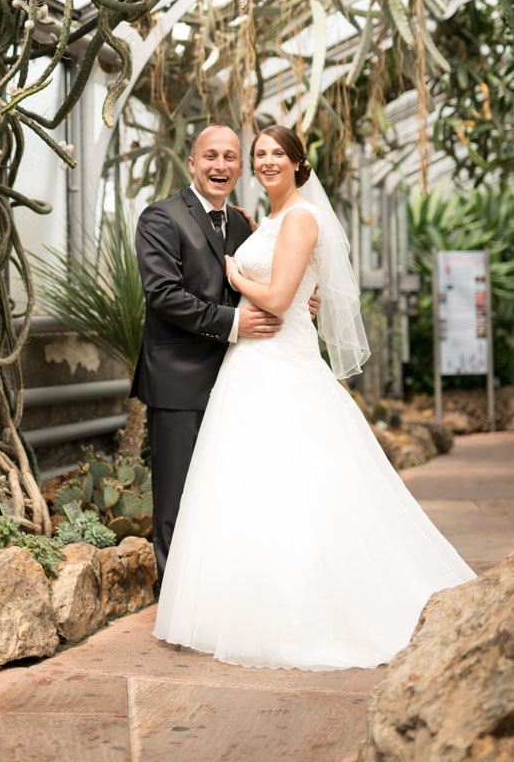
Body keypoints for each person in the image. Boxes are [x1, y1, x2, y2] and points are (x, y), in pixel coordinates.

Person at [153, 125, 476, 671]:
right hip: (244, 364)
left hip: (280, 361)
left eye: (274, 153)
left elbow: (278, 296)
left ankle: (303, 609)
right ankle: (237, 602)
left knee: (297, 482)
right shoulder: (258, 219)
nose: (262, 161)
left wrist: (243, 278)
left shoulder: (295, 217)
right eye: (257, 155)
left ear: (300, 163)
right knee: (242, 487)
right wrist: (276, 294)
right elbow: (277, 287)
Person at [131, 123, 320, 579]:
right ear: (192, 163)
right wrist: (234, 322)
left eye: (231, 157)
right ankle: (174, 600)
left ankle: (215, 596)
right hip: (179, 381)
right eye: (211, 156)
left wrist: (300, 299)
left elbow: (267, 280)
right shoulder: (160, 217)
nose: (221, 165)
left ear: (240, 167)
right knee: (177, 498)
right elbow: (163, 295)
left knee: (228, 494)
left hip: (240, 378)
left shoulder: (242, 222)